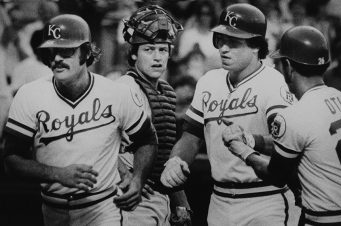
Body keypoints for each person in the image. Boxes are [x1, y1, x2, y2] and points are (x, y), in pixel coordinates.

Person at [3, 14, 157, 226]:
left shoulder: (115, 93)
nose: (57, 58)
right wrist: (57, 174)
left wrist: (138, 178)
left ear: (85, 52)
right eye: (52, 51)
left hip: (102, 208)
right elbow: (11, 159)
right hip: (52, 210)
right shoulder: (29, 95)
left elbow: (147, 139)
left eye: (66, 51)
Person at [160, 3, 298, 226]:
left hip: (264, 198)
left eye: (233, 42)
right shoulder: (208, 82)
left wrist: (251, 141)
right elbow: (191, 137)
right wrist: (176, 160)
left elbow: (290, 142)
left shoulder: (273, 82)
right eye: (220, 40)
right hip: (219, 200)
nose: (223, 48)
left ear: (255, 46)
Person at [223, 26, 341, 225]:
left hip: (326, 220)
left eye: (279, 63)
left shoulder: (293, 116)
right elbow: (303, 142)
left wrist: (242, 151)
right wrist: (250, 139)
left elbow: (276, 175)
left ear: (288, 66)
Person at [117, 4, 192, 226]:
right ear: (133, 53)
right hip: (131, 198)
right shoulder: (123, 88)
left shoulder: (166, 91)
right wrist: (128, 176)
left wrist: (180, 200)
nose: (157, 57)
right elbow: (96, 141)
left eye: (163, 49)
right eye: (148, 49)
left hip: (160, 197)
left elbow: (166, 152)